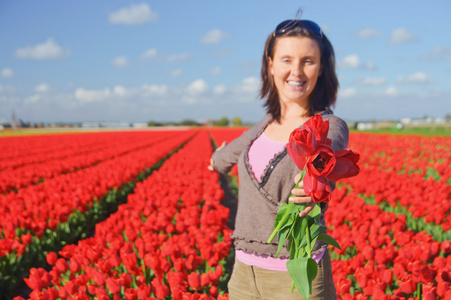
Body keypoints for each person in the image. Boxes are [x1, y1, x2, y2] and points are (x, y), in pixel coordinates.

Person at [208, 18, 349, 299]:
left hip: (297, 277)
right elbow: (221, 159)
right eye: (286, 59)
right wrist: (217, 155)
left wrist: (312, 189)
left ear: (321, 68)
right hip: (243, 275)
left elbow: (325, 160)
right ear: (270, 65)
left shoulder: (328, 127)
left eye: (308, 60)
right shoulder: (261, 128)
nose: (296, 71)